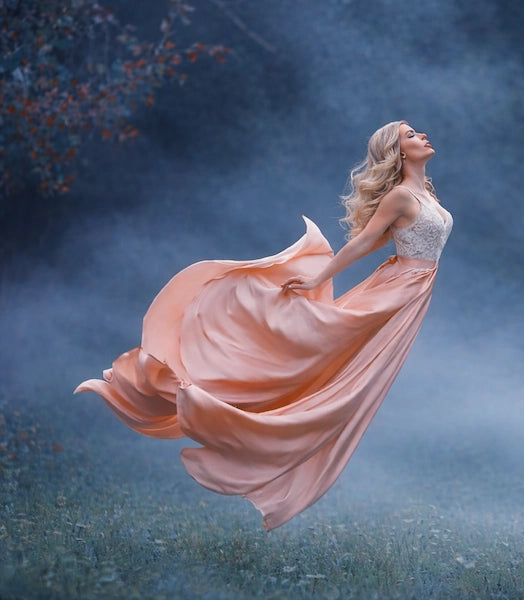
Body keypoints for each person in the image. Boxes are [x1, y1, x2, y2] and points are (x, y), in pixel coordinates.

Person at [75, 121, 452, 530]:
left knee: (350, 376)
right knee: (334, 362)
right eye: (410, 136)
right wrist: (318, 277)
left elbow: (387, 242)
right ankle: (206, 383)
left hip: (412, 291)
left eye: (418, 133)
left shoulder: (424, 194)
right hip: (397, 289)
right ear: (397, 153)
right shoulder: (399, 195)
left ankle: (255, 406)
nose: (422, 136)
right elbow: (364, 242)